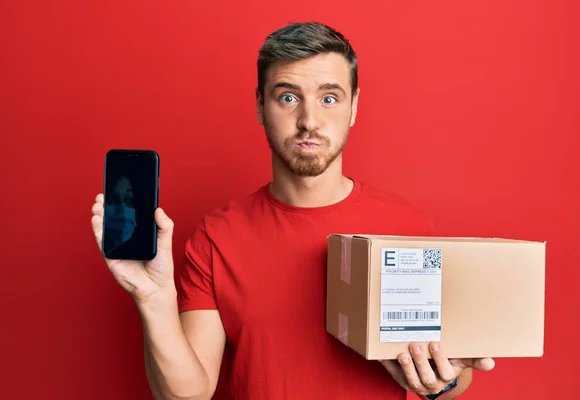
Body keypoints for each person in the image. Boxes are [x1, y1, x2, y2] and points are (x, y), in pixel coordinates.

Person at [90, 22, 495, 400]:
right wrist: (153, 297)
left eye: (329, 98)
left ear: (353, 107)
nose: (309, 121)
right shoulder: (217, 236)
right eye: (287, 97)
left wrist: (442, 382)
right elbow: (187, 393)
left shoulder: (408, 228)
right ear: (260, 106)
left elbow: (456, 376)